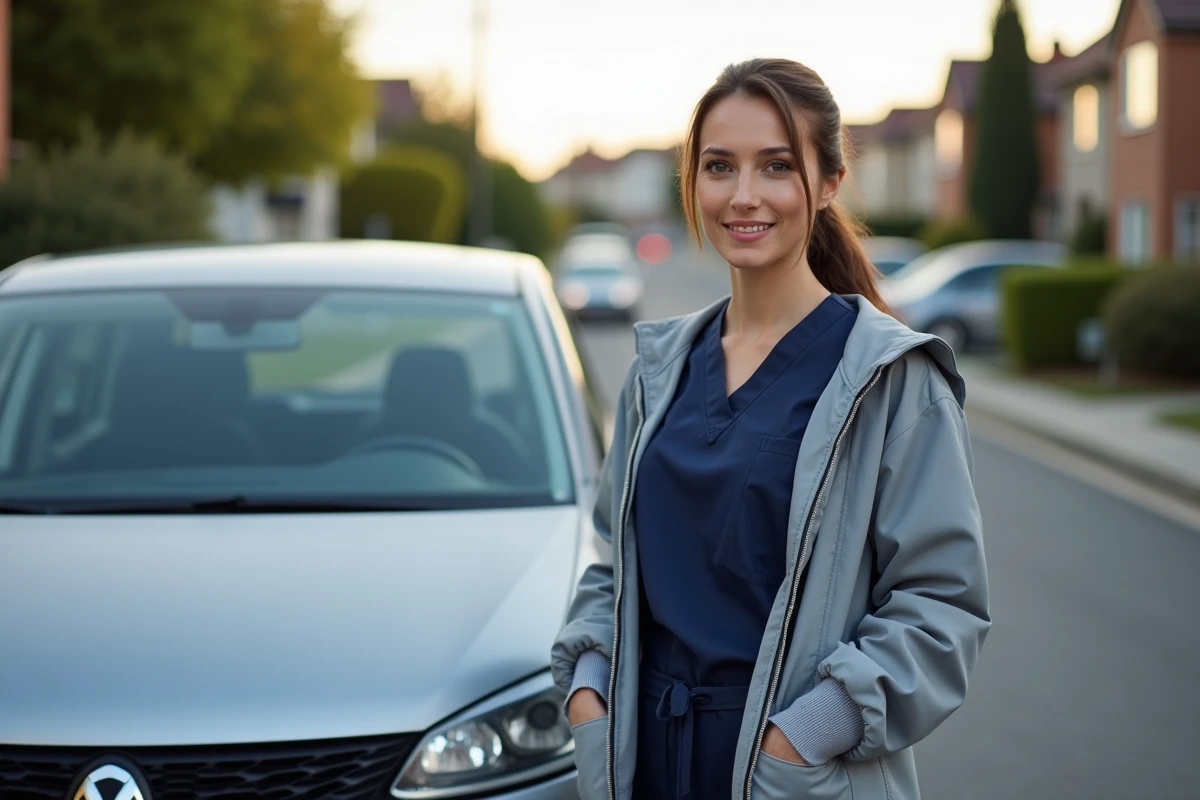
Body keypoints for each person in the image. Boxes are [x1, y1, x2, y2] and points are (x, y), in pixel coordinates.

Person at [550, 57, 990, 800]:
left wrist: (805, 735)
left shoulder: (892, 380)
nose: (743, 195)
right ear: (692, 182)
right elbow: (610, 567)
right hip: (644, 764)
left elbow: (941, 605)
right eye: (719, 166)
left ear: (827, 185)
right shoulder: (658, 372)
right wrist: (589, 686)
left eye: (776, 166)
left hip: (792, 777)